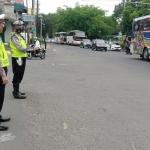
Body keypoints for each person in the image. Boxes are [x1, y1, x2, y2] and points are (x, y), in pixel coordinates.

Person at [10, 20, 28, 99]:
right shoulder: (14, 36)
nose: (21, 27)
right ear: (15, 27)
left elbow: (24, 45)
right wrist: (28, 49)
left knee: (20, 74)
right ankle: (16, 93)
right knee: (17, 74)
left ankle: (16, 90)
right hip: (18, 58)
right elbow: (20, 48)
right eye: (19, 26)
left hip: (21, 57)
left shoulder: (20, 36)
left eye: (21, 26)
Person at [0, 14, 11, 131]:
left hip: (2, 68)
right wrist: (3, 75)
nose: (3, 25)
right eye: (2, 23)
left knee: (1, 96)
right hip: (0, 71)